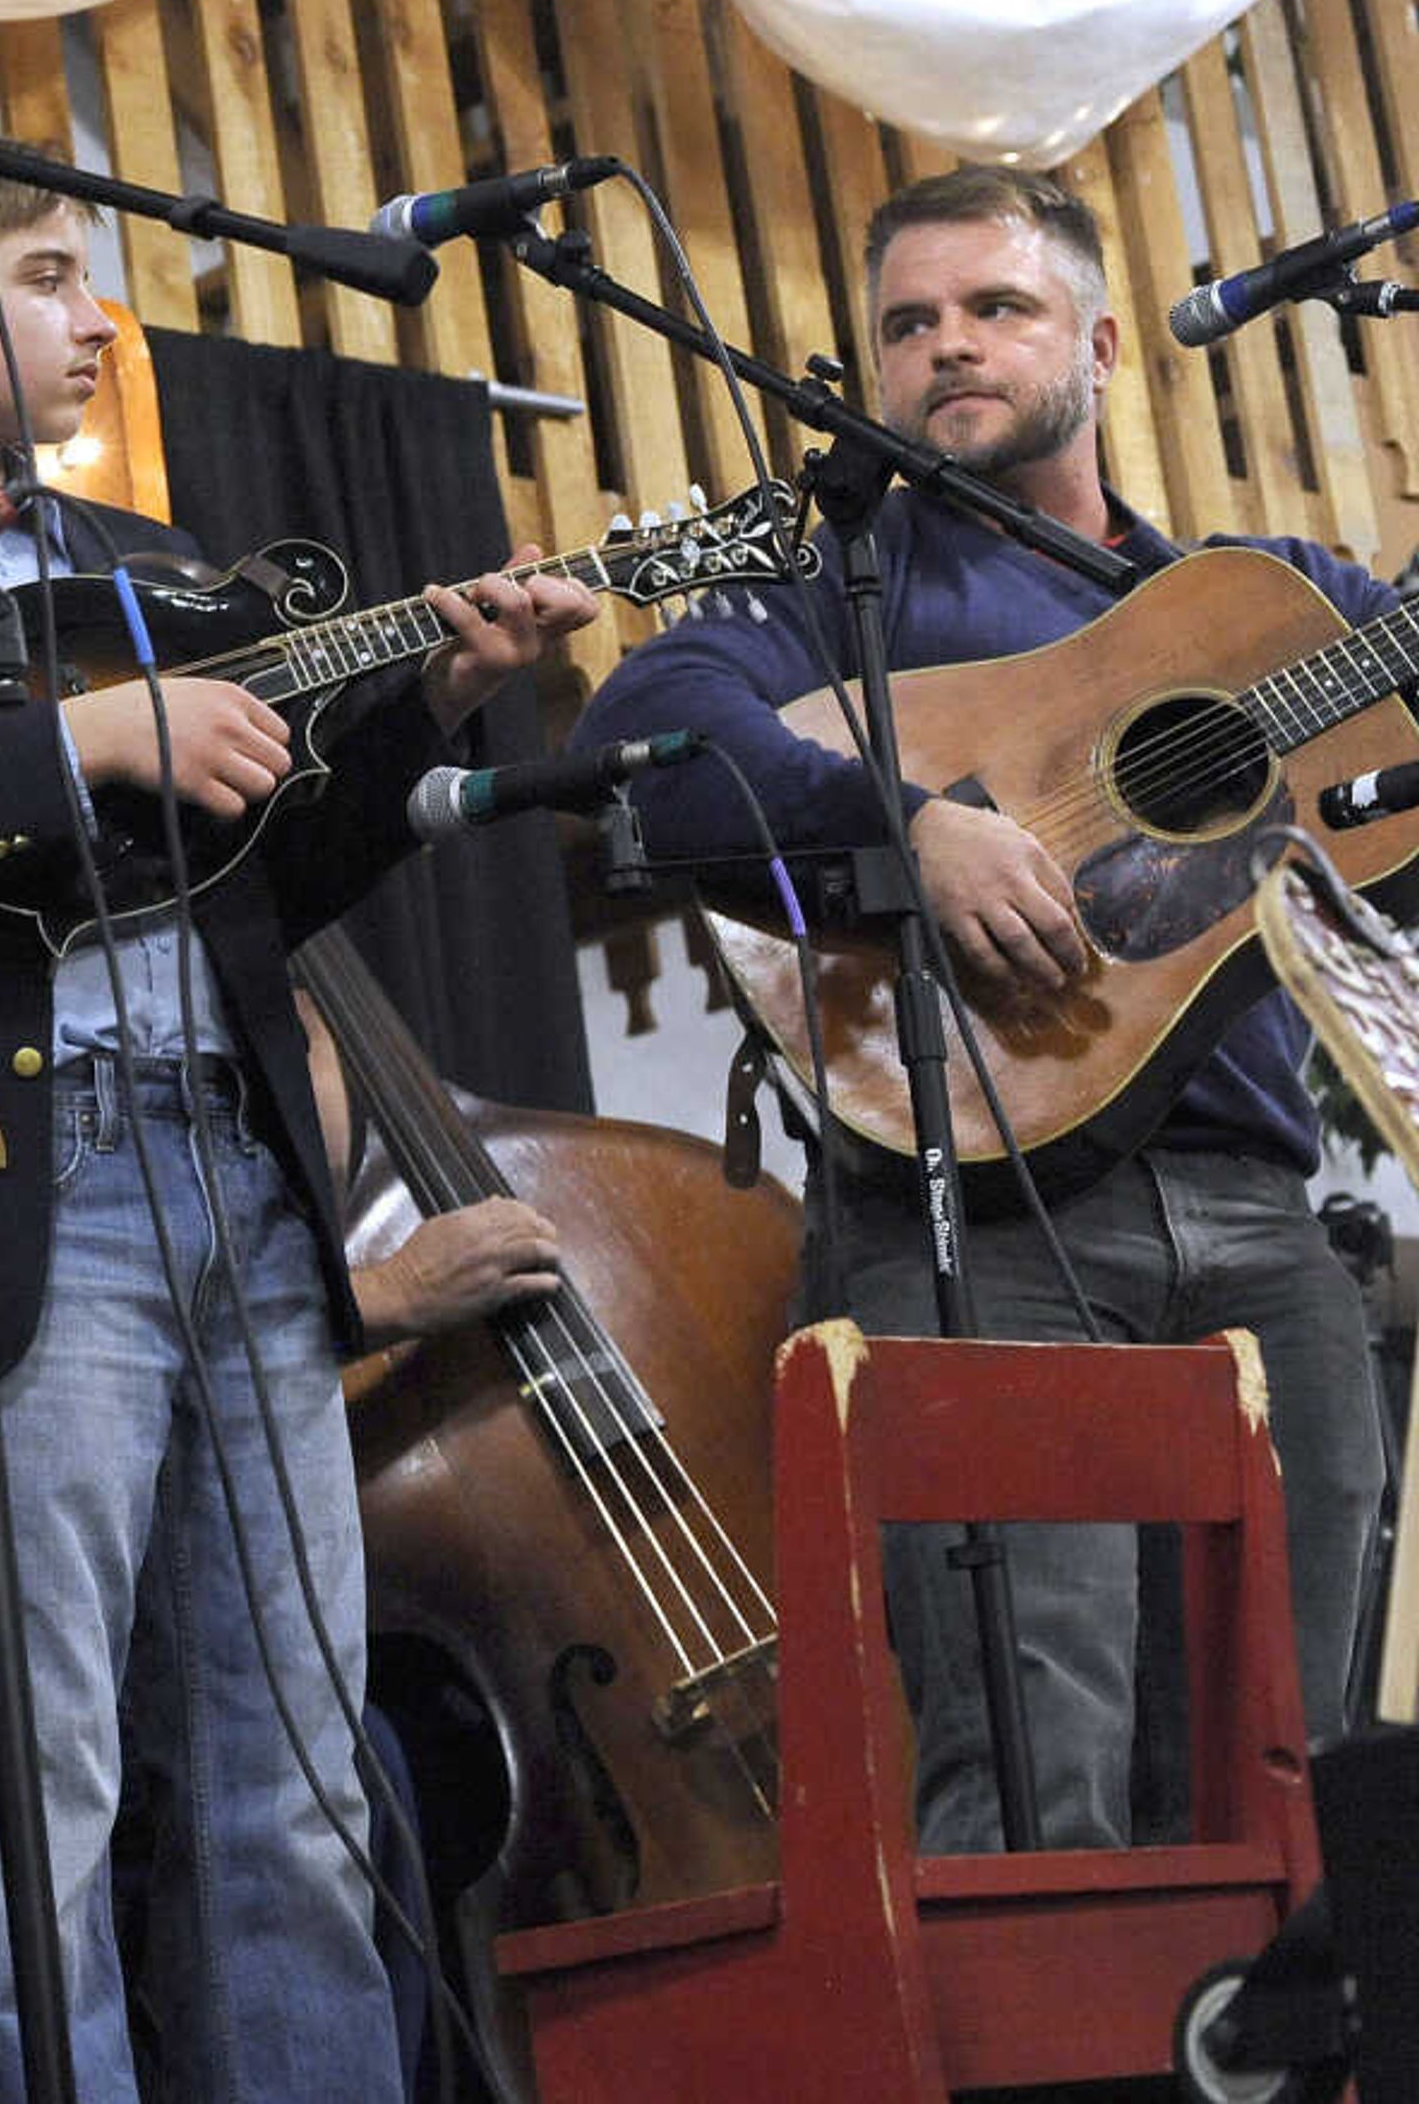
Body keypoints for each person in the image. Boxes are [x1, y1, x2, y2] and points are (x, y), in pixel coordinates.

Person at [0, 156, 592, 2103]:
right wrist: (65, 742)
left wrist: (430, 700)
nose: (99, 316)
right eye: (50, 271)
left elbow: (268, 877)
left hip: (241, 1181)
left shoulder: (166, 572)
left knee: (300, 1783)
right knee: (33, 1794)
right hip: (16, 1184)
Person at [571, 161, 1388, 1852]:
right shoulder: (842, 591)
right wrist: (906, 823)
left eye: (996, 308)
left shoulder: (1270, 601)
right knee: (1035, 1797)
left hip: (1264, 1222)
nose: (950, 345)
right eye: (910, 321)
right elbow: (641, 731)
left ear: (1098, 343)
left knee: (1295, 1793)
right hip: (980, 1214)